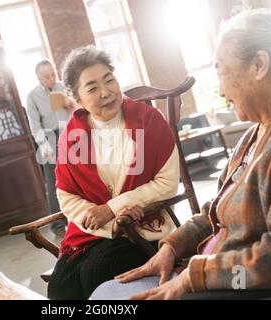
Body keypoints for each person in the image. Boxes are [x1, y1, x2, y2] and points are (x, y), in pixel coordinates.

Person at [92, 9, 271, 300]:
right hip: (216, 272)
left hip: (249, 287)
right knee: (105, 293)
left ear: (259, 65)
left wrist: (194, 277)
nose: (220, 90)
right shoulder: (256, 133)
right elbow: (217, 208)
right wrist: (173, 246)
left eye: (220, 70)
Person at [47, 45, 180, 300]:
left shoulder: (148, 120)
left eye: (109, 80)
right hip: (93, 233)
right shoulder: (74, 136)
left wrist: (111, 208)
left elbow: (166, 183)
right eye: (93, 88)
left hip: (142, 228)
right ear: (78, 98)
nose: (106, 92)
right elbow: (67, 196)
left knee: (97, 272)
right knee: (60, 287)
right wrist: (108, 221)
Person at [26, 60, 74, 236]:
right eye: (47, 76)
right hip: (49, 138)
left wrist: (71, 105)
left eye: (53, 74)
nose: (52, 78)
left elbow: (77, 112)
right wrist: (45, 146)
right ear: (39, 77)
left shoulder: (64, 87)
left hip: (69, 134)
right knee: (54, 183)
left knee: (79, 176)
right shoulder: (32, 96)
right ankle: (58, 226)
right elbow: (34, 125)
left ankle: (79, 219)